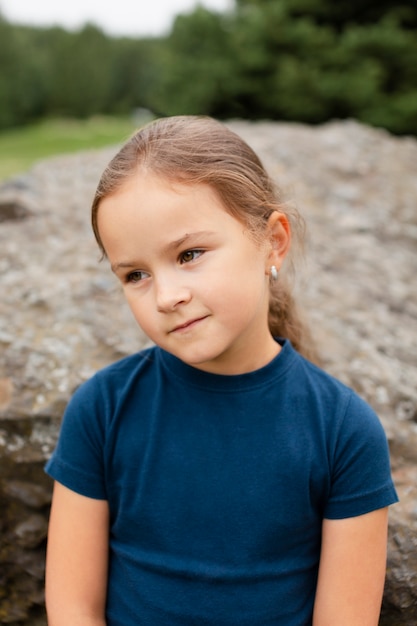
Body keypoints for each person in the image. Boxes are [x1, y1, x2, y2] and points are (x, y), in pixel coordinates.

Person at [44, 115, 398, 626]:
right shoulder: (101, 410)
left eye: (190, 254)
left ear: (273, 242)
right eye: (136, 274)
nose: (167, 296)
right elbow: (73, 608)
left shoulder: (343, 430)